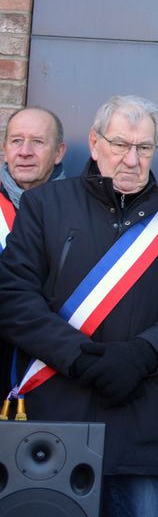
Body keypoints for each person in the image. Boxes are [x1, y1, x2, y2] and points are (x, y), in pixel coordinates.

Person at [0, 95, 158, 517]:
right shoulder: (46, 206)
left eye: (145, 148)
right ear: (94, 144)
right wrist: (80, 356)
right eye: (120, 144)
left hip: (140, 412)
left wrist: (141, 354)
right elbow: (13, 299)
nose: (132, 159)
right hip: (56, 413)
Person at [0, 106, 67, 418]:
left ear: (58, 152)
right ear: (4, 149)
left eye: (38, 142)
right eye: (16, 141)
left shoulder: (80, 210)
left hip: (55, 371)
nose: (24, 152)